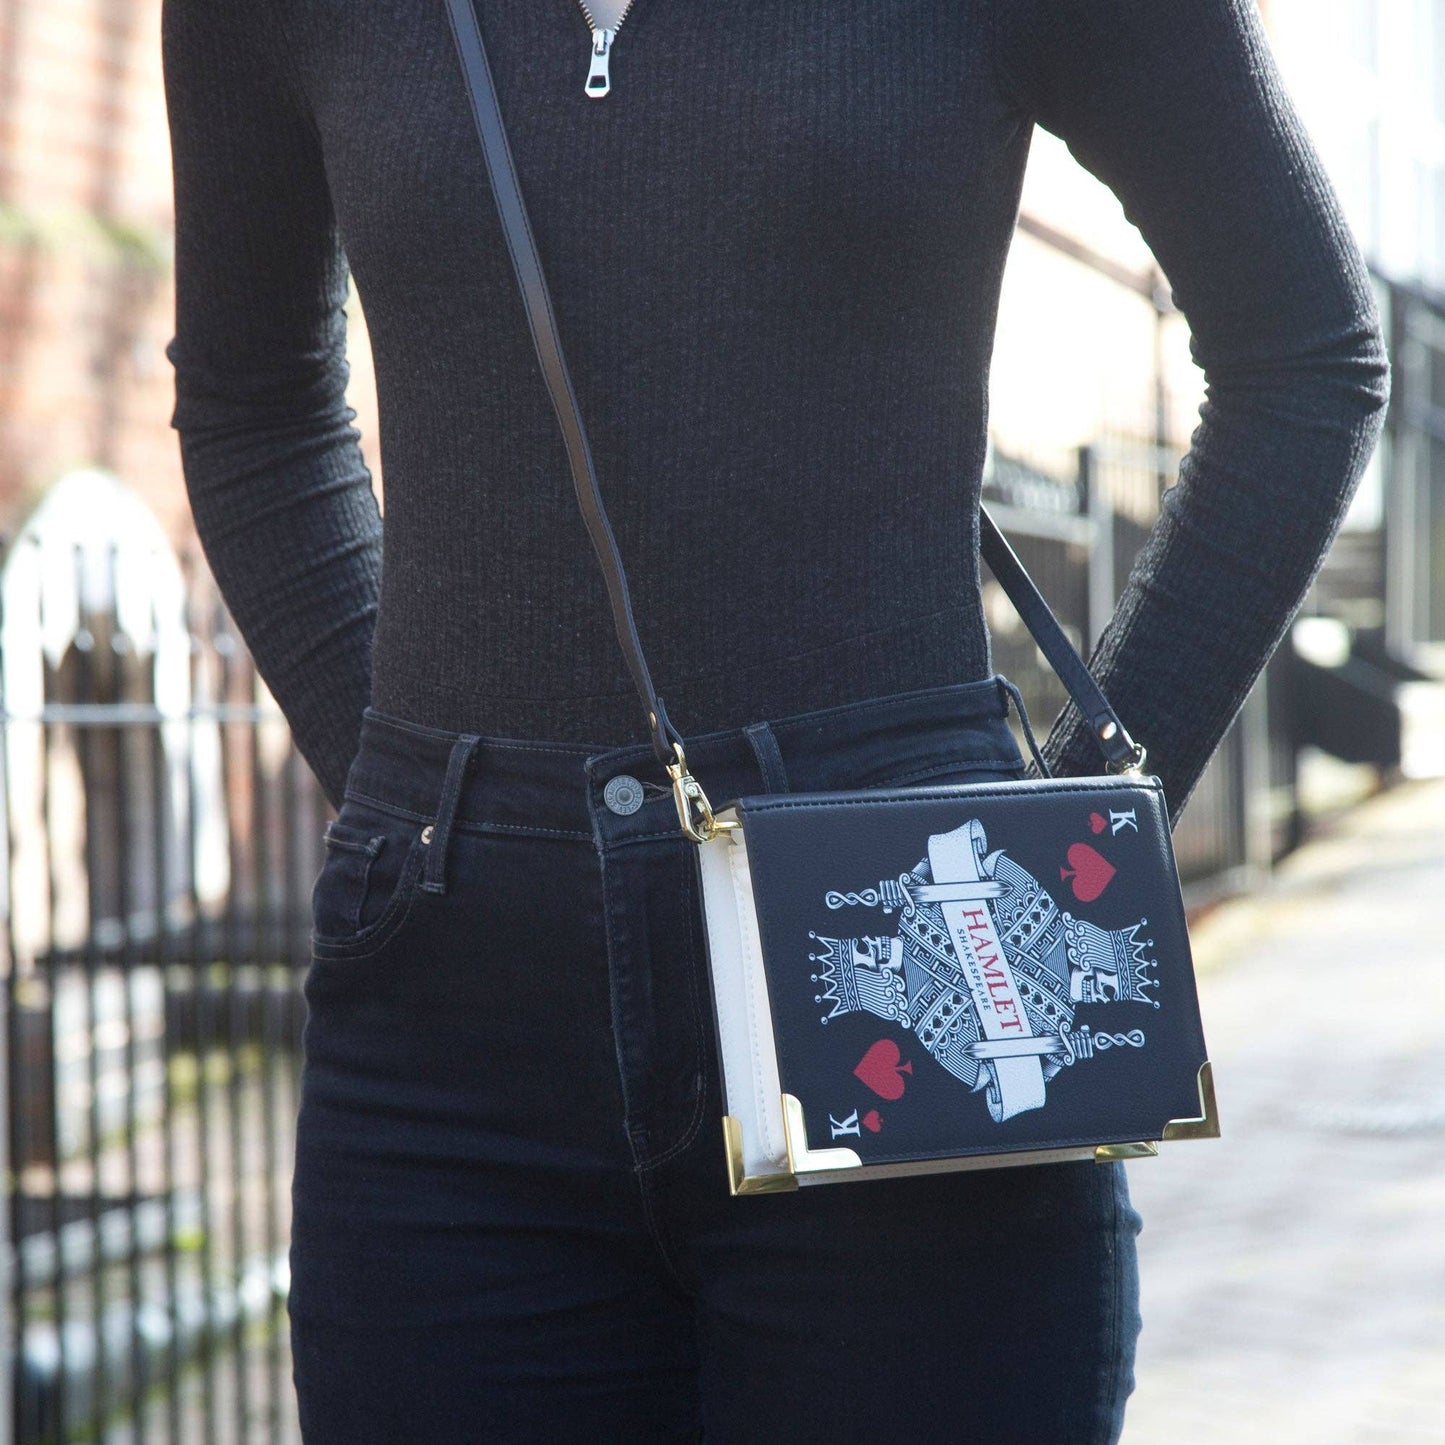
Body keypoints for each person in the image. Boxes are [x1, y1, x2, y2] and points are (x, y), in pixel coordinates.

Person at [159, 1, 1389, 1440]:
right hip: (453, 1046)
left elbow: (1303, 353)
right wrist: (412, 796)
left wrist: (1074, 842)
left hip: (908, 952)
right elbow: (253, 408)